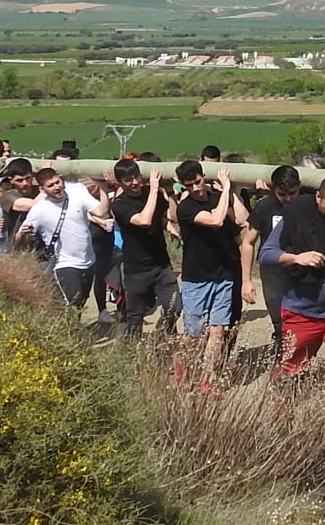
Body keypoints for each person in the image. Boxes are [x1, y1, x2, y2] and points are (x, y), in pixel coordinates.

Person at [259, 173, 325, 376]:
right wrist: (297, 258)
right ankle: (282, 406)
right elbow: (266, 254)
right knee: (291, 373)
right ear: (318, 197)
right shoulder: (296, 218)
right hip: (301, 311)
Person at [175, 160, 248, 379]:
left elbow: (243, 219)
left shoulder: (219, 198)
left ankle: (208, 377)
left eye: (198, 182)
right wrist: (225, 189)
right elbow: (216, 220)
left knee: (218, 329)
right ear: (183, 186)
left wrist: (231, 191)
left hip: (223, 274)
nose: (196, 188)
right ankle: (181, 362)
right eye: (190, 185)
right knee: (194, 334)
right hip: (196, 278)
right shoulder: (186, 208)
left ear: (203, 176)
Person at [108, 159, 179, 336]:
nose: (135, 182)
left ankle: (163, 339)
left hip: (161, 265)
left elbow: (168, 216)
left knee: (175, 307)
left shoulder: (149, 193)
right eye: (128, 180)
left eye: (137, 177)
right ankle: (132, 355)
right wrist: (154, 190)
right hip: (136, 270)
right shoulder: (119, 204)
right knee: (135, 319)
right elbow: (144, 220)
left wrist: (169, 195)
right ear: (120, 182)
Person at [23, 166, 107, 316]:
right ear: (42, 189)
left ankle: (73, 330)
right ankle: (70, 332)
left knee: (81, 301)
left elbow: (101, 212)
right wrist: (23, 234)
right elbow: (19, 238)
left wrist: (104, 190)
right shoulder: (39, 209)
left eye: (58, 182)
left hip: (88, 259)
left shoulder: (78, 190)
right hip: (64, 263)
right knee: (73, 300)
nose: (56, 187)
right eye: (50, 185)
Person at [243, 164, 305, 359]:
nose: (288, 199)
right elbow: (248, 242)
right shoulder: (265, 207)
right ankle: (284, 365)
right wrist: (246, 280)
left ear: (300, 186)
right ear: (273, 189)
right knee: (280, 323)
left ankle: (296, 363)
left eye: (292, 193)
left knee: (302, 323)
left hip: (302, 272)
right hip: (274, 275)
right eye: (282, 195)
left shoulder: (308, 203)